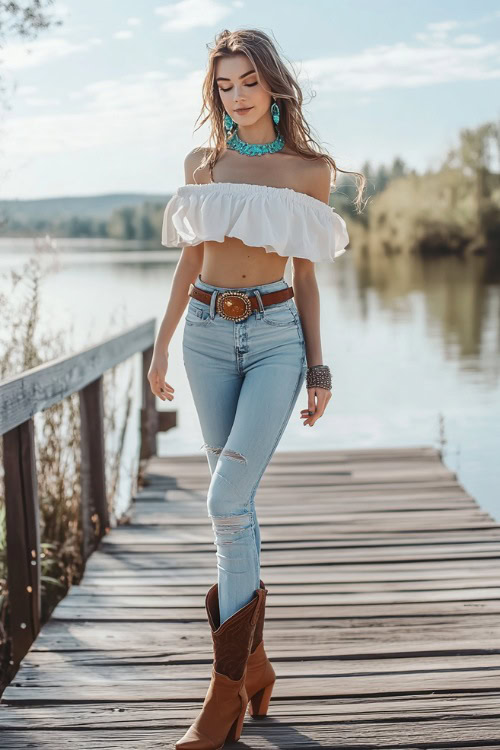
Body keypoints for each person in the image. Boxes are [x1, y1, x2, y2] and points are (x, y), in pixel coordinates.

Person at [149, 27, 365, 750]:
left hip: (275, 340)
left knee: (224, 500)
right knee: (233, 512)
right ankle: (256, 662)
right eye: (224, 85)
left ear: (274, 84)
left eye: (248, 82)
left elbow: (304, 274)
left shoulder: (310, 171)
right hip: (206, 335)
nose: (236, 96)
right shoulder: (202, 164)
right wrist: (159, 353)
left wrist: (319, 368)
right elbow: (188, 263)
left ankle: (223, 692)